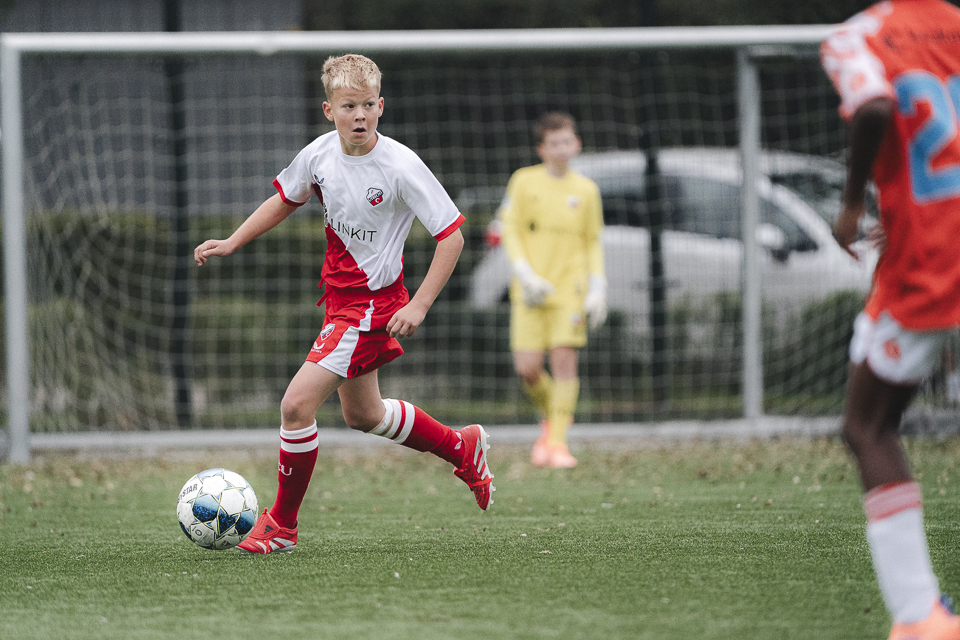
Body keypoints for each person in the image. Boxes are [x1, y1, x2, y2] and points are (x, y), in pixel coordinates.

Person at [193, 54, 494, 555]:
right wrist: (233, 240)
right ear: (328, 110)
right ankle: (459, 446)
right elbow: (286, 198)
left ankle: (282, 526)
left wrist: (418, 305)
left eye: (368, 105)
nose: (360, 115)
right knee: (364, 414)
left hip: (373, 307)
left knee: (295, 405)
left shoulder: (400, 165)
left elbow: (452, 238)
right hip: (340, 302)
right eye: (349, 106)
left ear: (382, 106)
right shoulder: (319, 155)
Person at [821, 2, 960, 638]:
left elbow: (874, 106)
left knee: (868, 425)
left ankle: (919, 617)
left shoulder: (859, 36)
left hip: (932, 255)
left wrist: (852, 207)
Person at [499, 112, 606, 468]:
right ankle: (555, 417)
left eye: (567, 141)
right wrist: (524, 273)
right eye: (554, 143)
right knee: (528, 368)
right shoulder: (523, 181)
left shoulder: (587, 190)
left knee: (564, 362)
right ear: (542, 149)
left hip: (569, 291)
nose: (562, 148)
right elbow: (509, 230)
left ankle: (557, 443)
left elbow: (592, 241)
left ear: (577, 144)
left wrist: (598, 286)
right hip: (530, 291)